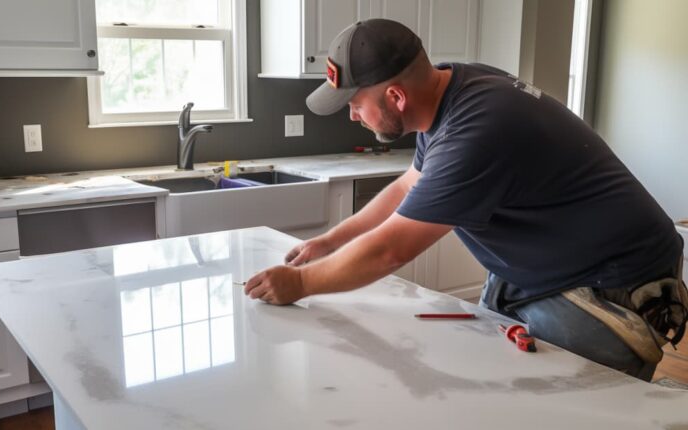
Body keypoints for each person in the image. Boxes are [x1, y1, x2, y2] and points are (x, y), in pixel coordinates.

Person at [243, 19, 688, 381]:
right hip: (548, 270)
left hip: (612, 280)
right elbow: (407, 187)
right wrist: (329, 243)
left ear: (396, 96)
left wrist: (299, 284)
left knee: (578, 406)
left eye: (355, 103)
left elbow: (389, 250)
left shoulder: (475, 133)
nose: (352, 114)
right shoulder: (449, 87)